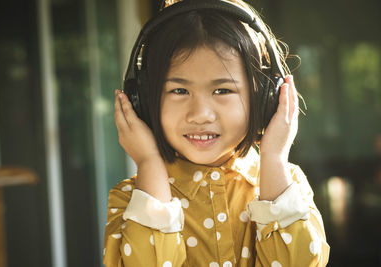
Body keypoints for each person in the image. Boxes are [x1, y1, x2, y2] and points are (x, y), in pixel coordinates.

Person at [103, 0, 330, 266]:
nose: (200, 114)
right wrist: (149, 162)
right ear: (142, 100)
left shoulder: (287, 186)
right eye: (179, 91)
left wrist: (273, 158)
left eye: (222, 91)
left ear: (265, 98)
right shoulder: (132, 198)